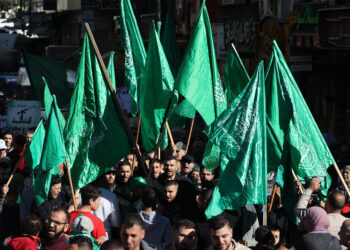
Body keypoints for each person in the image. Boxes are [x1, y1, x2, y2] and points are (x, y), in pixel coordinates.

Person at [92, 175, 121, 239]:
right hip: (105, 237)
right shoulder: (111, 196)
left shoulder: (80, 194)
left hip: (88, 238)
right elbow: (116, 222)